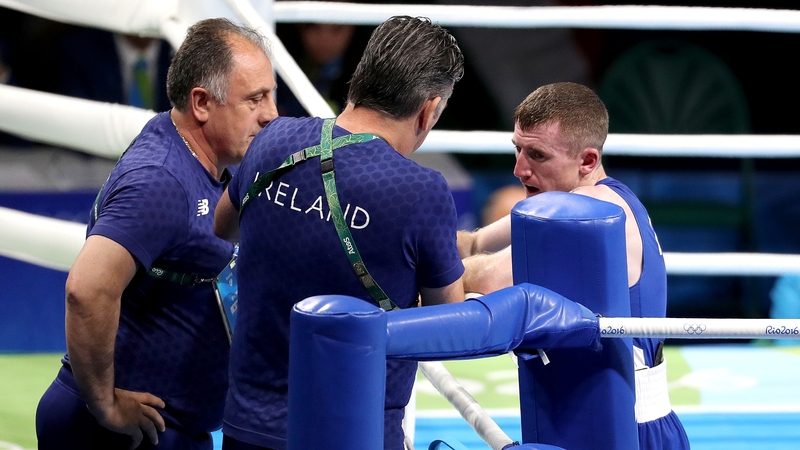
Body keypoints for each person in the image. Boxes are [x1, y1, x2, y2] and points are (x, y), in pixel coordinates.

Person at [214, 15, 465, 450]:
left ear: (359, 77)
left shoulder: (273, 140)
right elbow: (448, 327)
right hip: (356, 431)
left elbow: (221, 233)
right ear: (428, 109)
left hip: (246, 426)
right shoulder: (421, 191)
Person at [35, 18, 277, 450]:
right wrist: (104, 404)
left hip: (169, 431)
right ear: (201, 103)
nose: (271, 114)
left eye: (270, 95)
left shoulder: (198, 158)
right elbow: (87, 290)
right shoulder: (161, 180)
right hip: (117, 433)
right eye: (255, 99)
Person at [457, 82, 690, 449]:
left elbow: (486, 281)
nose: (519, 169)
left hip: (625, 428)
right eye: (517, 150)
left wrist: (410, 269)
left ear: (587, 161)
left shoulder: (588, 214)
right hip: (589, 415)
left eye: (537, 155)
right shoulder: (581, 199)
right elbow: (472, 243)